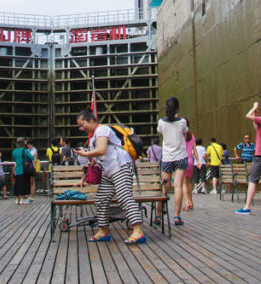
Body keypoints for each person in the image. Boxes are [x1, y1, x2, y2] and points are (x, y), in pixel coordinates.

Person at [75, 109, 145, 244]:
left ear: (91, 120)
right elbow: (93, 162)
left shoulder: (102, 130)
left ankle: (138, 231)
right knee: (101, 199)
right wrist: (82, 179)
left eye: (82, 124)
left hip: (120, 167)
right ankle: (103, 231)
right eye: (80, 126)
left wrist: (84, 154)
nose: (81, 128)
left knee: (124, 196)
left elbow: (101, 150)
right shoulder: (92, 139)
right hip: (108, 172)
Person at [235, 101, 261, 215]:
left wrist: (254, 107)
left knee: (253, 180)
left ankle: (247, 207)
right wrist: (255, 115)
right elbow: (257, 128)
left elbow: (247, 116)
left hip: (260, 155)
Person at [157, 96, 190, 226]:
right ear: (177, 108)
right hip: (181, 156)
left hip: (167, 158)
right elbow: (186, 132)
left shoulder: (161, 122)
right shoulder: (182, 122)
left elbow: (161, 133)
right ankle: (177, 216)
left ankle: (158, 215)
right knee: (178, 186)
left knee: (164, 187)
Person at [11, 138, 35, 204]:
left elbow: (15, 159)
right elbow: (31, 158)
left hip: (17, 170)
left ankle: (16, 198)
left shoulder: (14, 151)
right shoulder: (25, 151)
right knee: (23, 184)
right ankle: (22, 198)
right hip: (24, 170)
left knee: (17, 184)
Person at [182, 130, 196, 211]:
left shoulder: (181, 136)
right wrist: (197, 161)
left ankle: (187, 203)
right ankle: (191, 203)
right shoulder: (192, 136)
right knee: (188, 182)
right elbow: (194, 150)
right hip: (190, 161)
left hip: (183, 160)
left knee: (183, 183)